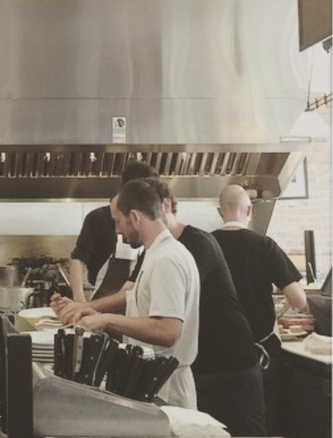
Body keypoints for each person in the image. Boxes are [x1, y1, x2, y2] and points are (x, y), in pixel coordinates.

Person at [54, 180, 201, 409]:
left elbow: (167, 331)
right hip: (154, 381)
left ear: (135, 217)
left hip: (167, 390)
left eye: (118, 221)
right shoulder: (156, 253)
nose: (117, 230)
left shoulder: (167, 260)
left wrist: (106, 319)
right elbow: (139, 307)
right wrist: (93, 312)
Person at [142, 178, 266, 435]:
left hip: (232, 366)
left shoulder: (194, 245)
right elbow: (130, 291)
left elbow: (166, 315)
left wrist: (99, 315)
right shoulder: (155, 250)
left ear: (165, 206)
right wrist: (90, 309)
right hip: (202, 367)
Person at [212, 184, 307, 435]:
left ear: (220, 212)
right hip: (256, 356)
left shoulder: (205, 244)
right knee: (256, 427)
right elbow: (299, 300)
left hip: (211, 357)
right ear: (250, 209)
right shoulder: (264, 245)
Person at [69, 161, 157, 302]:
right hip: (97, 301)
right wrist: (80, 301)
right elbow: (78, 259)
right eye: (117, 221)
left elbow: (135, 281)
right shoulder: (98, 218)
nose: (120, 229)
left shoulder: (150, 226)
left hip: (130, 303)